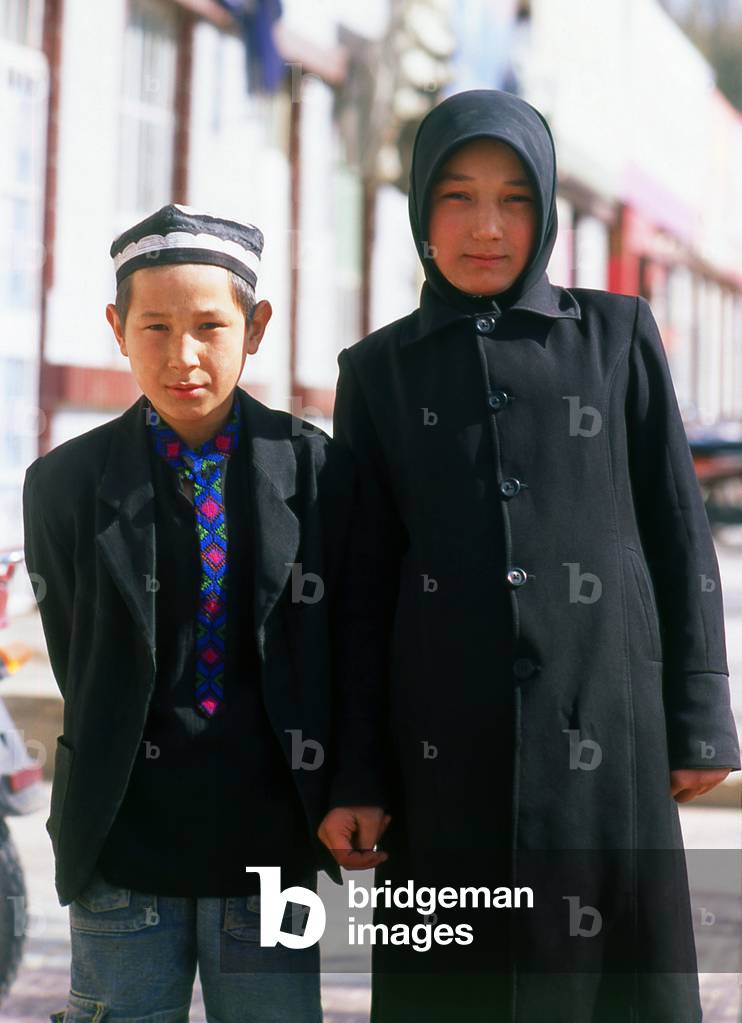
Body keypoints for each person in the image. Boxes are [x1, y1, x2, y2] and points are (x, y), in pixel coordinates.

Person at [318, 90, 741, 1022]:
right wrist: (357, 774)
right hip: (441, 757)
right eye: (458, 197)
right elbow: (359, 587)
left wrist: (700, 713)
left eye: (514, 199)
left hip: (608, 740)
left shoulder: (616, 338)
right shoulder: (377, 374)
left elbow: (678, 529)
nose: (487, 227)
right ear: (420, 209)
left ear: (547, 210)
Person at [23, 203, 354, 1023]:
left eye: (210, 326)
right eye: (155, 327)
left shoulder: (317, 472)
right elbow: (80, 651)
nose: (184, 356)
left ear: (256, 326)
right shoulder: (64, 485)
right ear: (117, 329)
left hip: (271, 840)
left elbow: (346, 651)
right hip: (122, 838)